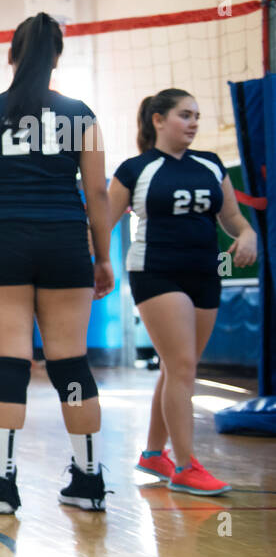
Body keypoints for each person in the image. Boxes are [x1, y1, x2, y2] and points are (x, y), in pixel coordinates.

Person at [0, 13, 114, 514]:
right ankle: (88, 481)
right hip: (66, 241)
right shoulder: (81, 115)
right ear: (57, 57)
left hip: (2, 242)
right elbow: (96, 193)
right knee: (70, 362)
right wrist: (103, 256)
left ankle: (1, 484)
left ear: (12, 54)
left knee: (8, 362)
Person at [109, 89, 258, 495]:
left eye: (197, 116)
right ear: (158, 119)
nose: (193, 122)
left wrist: (247, 235)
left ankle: (154, 454)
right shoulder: (135, 168)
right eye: (184, 115)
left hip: (205, 273)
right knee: (183, 365)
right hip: (155, 273)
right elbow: (101, 223)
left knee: (178, 366)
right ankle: (186, 466)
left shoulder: (210, 165)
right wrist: (94, 267)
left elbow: (231, 218)